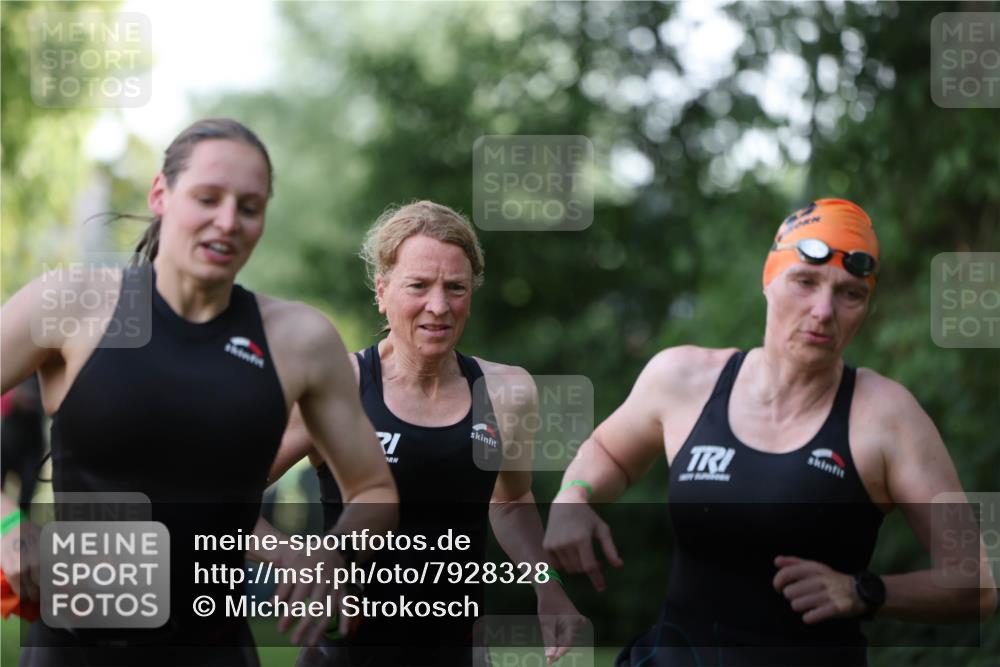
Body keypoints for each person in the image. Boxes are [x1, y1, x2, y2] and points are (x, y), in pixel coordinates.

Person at [0, 118, 398, 666]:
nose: (228, 221)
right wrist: (8, 524)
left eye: (250, 207)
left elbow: (374, 490)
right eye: (208, 198)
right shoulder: (74, 304)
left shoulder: (297, 340)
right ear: (161, 195)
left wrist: (332, 553)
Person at [543, 199, 997, 666]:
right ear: (769, 277)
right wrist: (574, 495)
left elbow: (976, 585)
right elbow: (608, 451)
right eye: (805, 281)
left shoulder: (888, 417)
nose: (823, 310)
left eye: (850, 294)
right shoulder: (683, 378)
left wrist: (864, 590)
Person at [265, 201, 584, 666]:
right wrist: (298, 558)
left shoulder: (506, 393)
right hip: (344, 654)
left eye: (455, 288)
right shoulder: (338, 387)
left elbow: (511, 503)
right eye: (418, 286)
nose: (439, 306)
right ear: (382, 291)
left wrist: (548, 588)